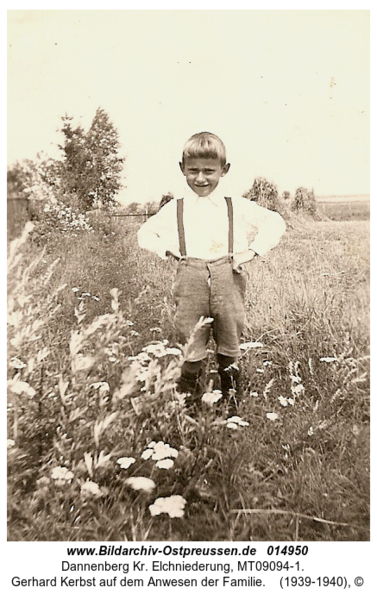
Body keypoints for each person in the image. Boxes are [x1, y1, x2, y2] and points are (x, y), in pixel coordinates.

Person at [137, 132, 286, 415]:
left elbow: (274, 221)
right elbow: (145, 233)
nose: (201, 178)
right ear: (182, 169)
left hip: (227, 276)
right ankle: (188, 405)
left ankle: (231, 404)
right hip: (190, 277)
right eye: (193, 171)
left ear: (224, 170)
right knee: (191, 342)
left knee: (229, 340)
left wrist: (250, 252)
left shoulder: (235, 205)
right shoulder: (176, 208)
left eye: (209, 171)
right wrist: (167, 250)